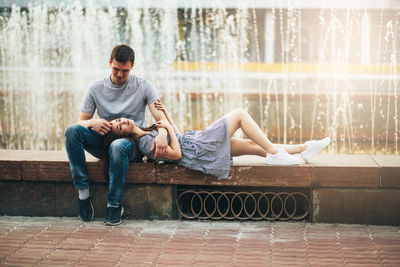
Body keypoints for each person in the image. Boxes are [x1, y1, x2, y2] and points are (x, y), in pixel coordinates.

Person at [65, 44, 169, 226]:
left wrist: (161, 134)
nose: (120, 74)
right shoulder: (95, 88)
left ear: (133, 66)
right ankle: (83, 193)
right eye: (116, 69)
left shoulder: (144, 86)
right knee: (72, 131)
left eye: (125, 71)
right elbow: (80, 122)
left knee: (118, 146)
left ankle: (114, 204)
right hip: (104, 139)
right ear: (109, 62)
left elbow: (161, 118)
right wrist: (93, 123)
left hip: (131, 142)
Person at [105, 101, 331, 179]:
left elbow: (178, 135)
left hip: (195, 142)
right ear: (123, 134)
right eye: (119, 127)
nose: (122, 122)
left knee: (254, 146)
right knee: (240, 114)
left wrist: (167, 120)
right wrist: (167, 130)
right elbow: (177, 154)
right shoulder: (144, 144)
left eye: (120, 120)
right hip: (199, 148)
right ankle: (275, 153)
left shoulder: (147, 129)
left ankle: (305, 148)